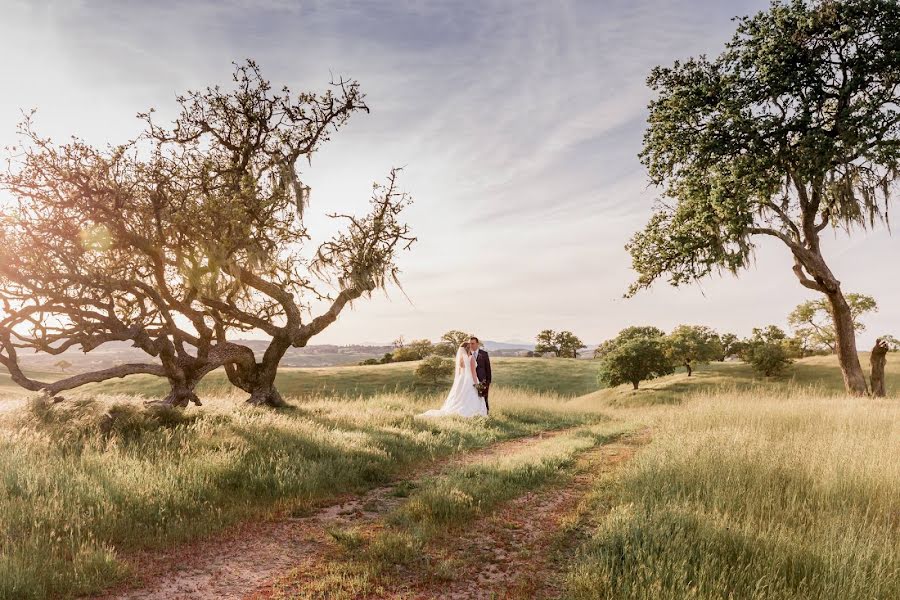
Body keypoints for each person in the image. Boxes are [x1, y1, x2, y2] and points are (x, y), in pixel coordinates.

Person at [417, 340, 488, 418]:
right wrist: (477, 385)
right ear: (468, 349)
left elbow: (461, 372)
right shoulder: (471, 358)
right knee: (471, 396)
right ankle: (472, 413)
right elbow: (474, 373)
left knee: (461, 397)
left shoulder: (461, 359)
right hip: (470, 380)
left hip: (461, 380)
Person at [469, 336, 492, 413]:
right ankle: (474, 413)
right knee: (473, 398)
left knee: (484, 398)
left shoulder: (484, 354)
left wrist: (488, 381)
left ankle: (486, 413)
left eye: (473, 343)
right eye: (470, 344)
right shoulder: (467, 354)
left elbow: (488, 368)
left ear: (477, 344)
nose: (471, 345)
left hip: (483, 380)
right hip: (471, 381)